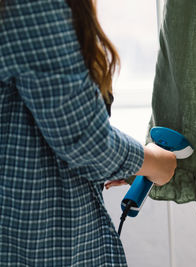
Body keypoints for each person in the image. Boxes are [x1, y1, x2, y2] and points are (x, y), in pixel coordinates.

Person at [0, 0, 176, 266]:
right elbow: (86, 142)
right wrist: (156, 163)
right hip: (38, 245)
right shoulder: (33, 5)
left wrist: (119, 164)